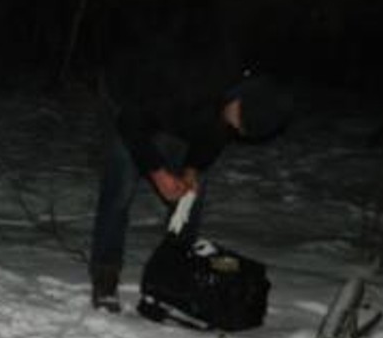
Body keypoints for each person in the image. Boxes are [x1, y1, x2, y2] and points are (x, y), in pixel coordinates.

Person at [89, 45, 292, 312]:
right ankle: (105, 275)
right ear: (239, 98)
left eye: (242, 131)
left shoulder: (234, 103)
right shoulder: (190, 81)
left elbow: (213, 138)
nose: (235, 130)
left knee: (192, 194)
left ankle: (172, 276)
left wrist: (192, 169)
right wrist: (158, 172)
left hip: (178, 113)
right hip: (129, 96)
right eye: (239, 122)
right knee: (120, 184)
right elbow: (131, 121)